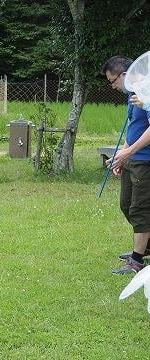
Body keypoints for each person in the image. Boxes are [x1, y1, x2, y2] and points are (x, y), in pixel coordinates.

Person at [103, 55, 150, 274]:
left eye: (112, 81)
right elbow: (133, 126)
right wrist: (122, 154)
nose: (112, 86)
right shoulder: (132, 93)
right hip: (132, 158)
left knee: (140, 210)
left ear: (124, 74)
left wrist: (129, 152)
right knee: (126, 205)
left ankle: (137, 261)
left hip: (145, 160)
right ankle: (146, 246)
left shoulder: (147, 90)